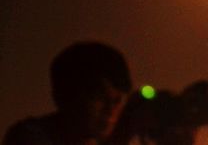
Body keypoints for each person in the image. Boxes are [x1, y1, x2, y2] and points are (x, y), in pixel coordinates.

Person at [2, 42, 133, 145]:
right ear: (66, 96)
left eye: (117, 100)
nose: (111, 110)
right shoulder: (31, 136)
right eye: (99, 97)